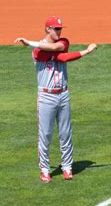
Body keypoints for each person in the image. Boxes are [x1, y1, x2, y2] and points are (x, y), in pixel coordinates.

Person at [15, 16, 98, 183]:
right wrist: (87, 50)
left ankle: (67, 167)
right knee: (45, 134)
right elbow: (58, 54)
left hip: (63, 94)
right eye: (56, 29)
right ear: (47, 29)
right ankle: (45, 170)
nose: (60, 31)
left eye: (60, 28)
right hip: (46, 96)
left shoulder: (64, 42)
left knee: (66, 133)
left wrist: (28, 41)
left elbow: (61, 53)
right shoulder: (37, 51)